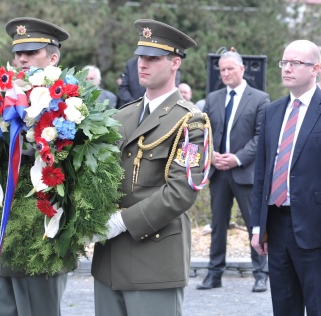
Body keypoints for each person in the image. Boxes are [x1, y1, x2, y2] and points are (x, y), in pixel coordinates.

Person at [90, 19, 208, 316]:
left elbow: (183, 191)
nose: (143, 64)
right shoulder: (122, 116)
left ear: (174, 63)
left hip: (154, 259)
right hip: (109, 262)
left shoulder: (192, 122)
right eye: (141, 57)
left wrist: (122, 221)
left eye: (153, 58)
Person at [250, 39, 321, 315]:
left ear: (315, 69)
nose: (287, 68)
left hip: (316, 228)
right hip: (276, 224)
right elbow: (262, 172)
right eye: (284, 62)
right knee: (284, 306)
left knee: (320, 306)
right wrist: (257, 226)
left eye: (295, 63)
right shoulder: (272, 111)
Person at [0, 17, 70, 316]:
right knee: (3, 307)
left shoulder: (69, 101)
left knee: (39, 309)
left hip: (40, 228)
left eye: (31, 52)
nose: (21, 58)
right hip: (3, 222)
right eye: (18, 51)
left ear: (53, 57)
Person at [196, 50, 270, 292]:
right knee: (218, 225)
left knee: (254, 225)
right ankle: (214, 273)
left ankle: (261, 273)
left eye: (230, 69)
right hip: (218, 171)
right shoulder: (213, 97)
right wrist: (212, 154)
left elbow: (261, 137)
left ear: (242, 69)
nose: (225, 73)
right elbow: (205, 131)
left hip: (245, 172)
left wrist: (237, 158)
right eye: (222, 69)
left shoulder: (260, 98)